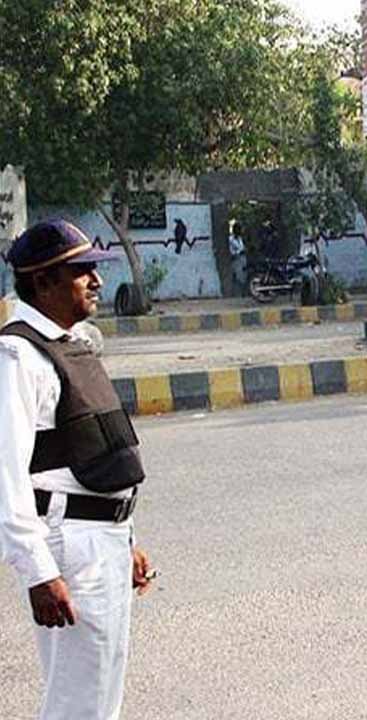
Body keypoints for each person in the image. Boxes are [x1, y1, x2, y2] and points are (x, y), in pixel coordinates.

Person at [0, 220, 154, 720]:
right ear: (43, 281)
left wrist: (125, 539)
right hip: (71, 545)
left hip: (99, 538)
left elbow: (90, 455)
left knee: (97, 695)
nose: (96, 281)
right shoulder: (18, 356)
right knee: (79, 704)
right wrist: (39, 573)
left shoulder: (70, 345)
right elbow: (6, 476)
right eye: (81, 270)